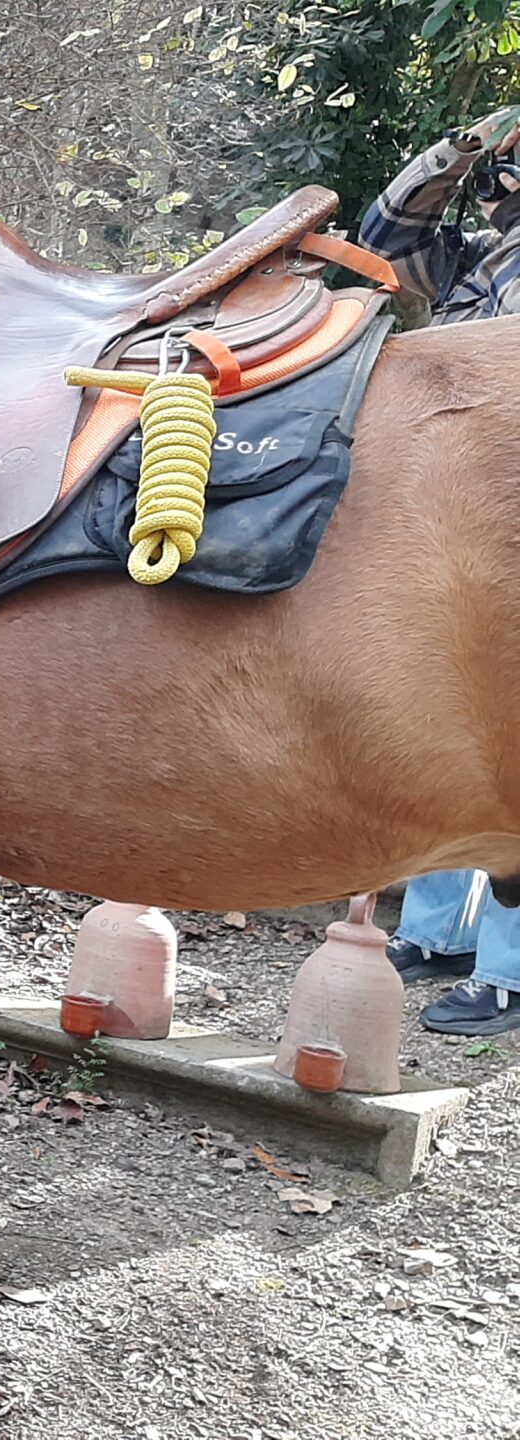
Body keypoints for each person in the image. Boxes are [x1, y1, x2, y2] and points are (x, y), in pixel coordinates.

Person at [356, 107, 520, 1036]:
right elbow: (382, 245)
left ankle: (510, 974)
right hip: (452, 519)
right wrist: (457, 152)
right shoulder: (474, 261)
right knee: (452, 729)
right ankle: (435, 935)